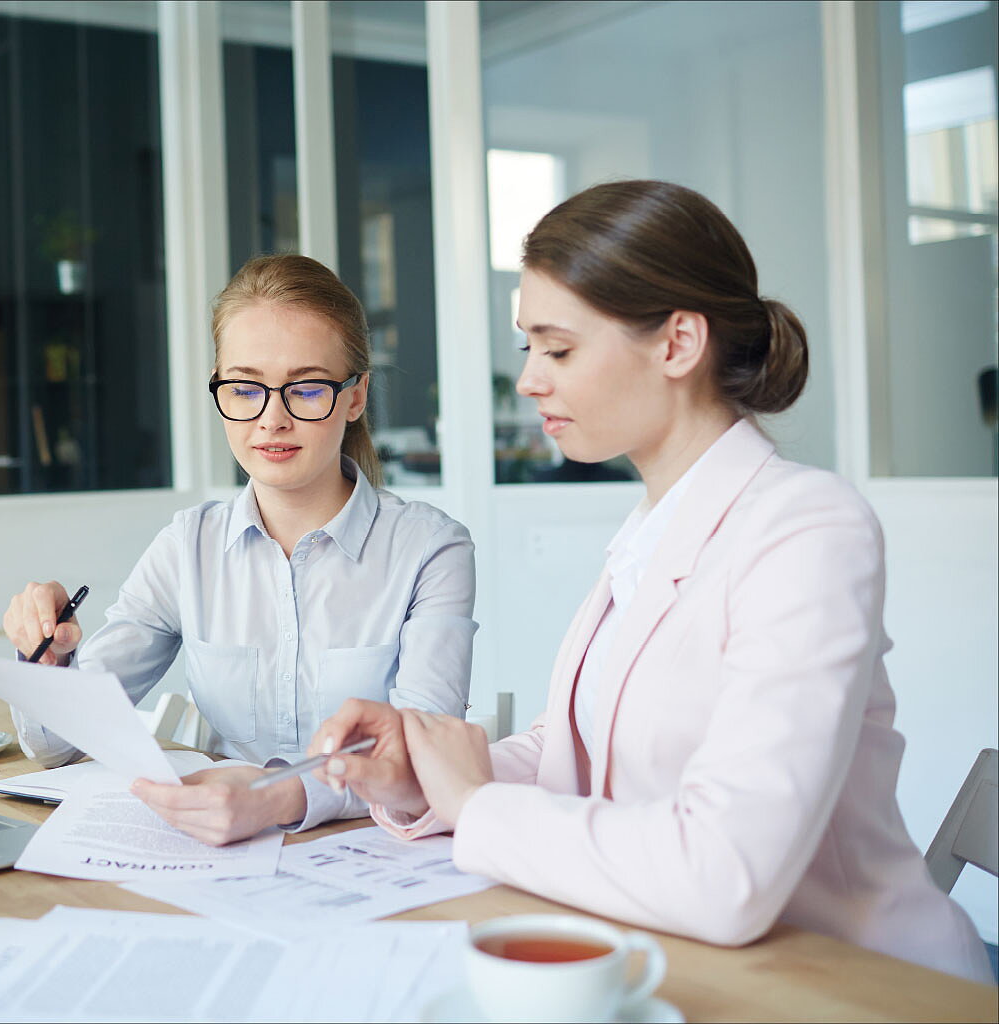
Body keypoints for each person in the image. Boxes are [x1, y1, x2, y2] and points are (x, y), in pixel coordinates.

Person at [310, 180, 992, 983]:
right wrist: (428, 774)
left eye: (557, 348)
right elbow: (576, 749)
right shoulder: (650, 532)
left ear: (677, 344)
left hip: (853, 986)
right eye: (530, 349)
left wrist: (478, 806)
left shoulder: (809, 528)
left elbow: (725, 872)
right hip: (686, 961)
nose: (529, 380)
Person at [1, 253, 477, 846]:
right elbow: (57, 744)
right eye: (246, 387)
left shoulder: (431, 549)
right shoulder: (187, 546)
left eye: (306, 388)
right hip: (222, 857)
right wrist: (48, 663)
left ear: (355, 397)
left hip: (379, 861)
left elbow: (422, 761)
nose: (270, 419)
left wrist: (275, 798)